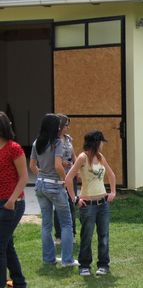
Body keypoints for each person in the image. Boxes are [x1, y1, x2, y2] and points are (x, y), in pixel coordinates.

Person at [66, 131, 116, 276]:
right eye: (101, 142)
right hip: (88, 205)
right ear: (96, 143)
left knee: (104, 235)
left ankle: (103, 264)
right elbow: (69, 179)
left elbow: (111, 175)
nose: (102, 145)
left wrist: (112, 192)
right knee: (86, 236)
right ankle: (84, 265)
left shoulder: (100, 157)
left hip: (103, 204)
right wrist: (75, 198)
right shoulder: (82, 157)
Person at [30, 114, 77, 267]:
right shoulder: (56, 143)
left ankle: (48, 259)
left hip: (40, 185)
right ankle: (67, 260)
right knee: (66, 224)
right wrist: (64, 180)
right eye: (58, 125)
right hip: (55, 186)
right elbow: (58, 166)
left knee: (46, 224)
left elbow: (32, 166)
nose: (60, 127)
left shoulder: (37, 142)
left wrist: (42, 177)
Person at [0, 112, 28, 288]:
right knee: (7, 245)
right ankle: (19, 284)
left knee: (0, 246)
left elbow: (24, 177)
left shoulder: (14, 148)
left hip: (12, 204)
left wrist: (11, 200)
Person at [53, 114, 77, 245]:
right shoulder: (53, 141)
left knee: (71, 204)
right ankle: (58, 235)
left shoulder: (68, 139)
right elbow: (52, 160)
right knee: (59, 206)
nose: (68, 127)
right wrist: (62, 163)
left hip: (70, 176)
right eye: (66, 125)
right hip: (59, 177)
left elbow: (74, 155)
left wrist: (76, 167)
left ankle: (72, 234)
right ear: (60, 126)